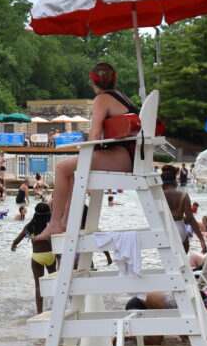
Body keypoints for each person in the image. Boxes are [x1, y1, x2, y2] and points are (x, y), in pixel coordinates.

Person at [37, 63, 135, 240]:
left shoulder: (102, 99)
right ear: (115, 80)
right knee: (74, 172)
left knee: (61, 168)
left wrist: (85, 148)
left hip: (122, 158)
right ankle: (66, 222)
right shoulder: (122, 96)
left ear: (93, 83)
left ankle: (54, 224)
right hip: (129, 156)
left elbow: (95, 134)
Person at [12, 203, 57, 313]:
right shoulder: (51, 225)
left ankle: (39, 312)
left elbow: (17, 240)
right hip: (51, 255)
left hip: (37, 257)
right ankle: (57, 308)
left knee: (38, 286)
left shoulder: (30, 226)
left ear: (35, 213)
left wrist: (13, 245)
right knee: (54, 283)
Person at [160, 165, 206, 254]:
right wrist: (201, 239)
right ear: (175, 180)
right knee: (183, 259)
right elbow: (190, 219)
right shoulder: (183, 195)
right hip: (179, 228)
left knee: (168, 260)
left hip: (164, 229)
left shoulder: (157, 195)